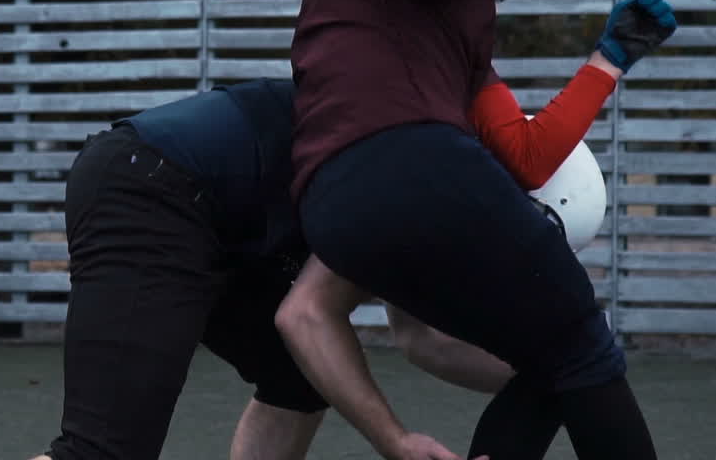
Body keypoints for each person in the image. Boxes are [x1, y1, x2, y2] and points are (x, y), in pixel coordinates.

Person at [276, 0, 676, 460]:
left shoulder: (454, 37)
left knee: (550, 359)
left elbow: (526, 155)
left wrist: (609, 59)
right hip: (408, 161)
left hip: (335, 206)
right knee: (579, 339)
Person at [29, 76, 518, 460]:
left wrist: (559, 373)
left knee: (298, 378)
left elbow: (420, 335)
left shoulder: (439, 169)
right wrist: (394, 439)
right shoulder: (418, 172)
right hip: (150, 185)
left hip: (216, 218)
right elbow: (304, 316)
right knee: (102, 452)